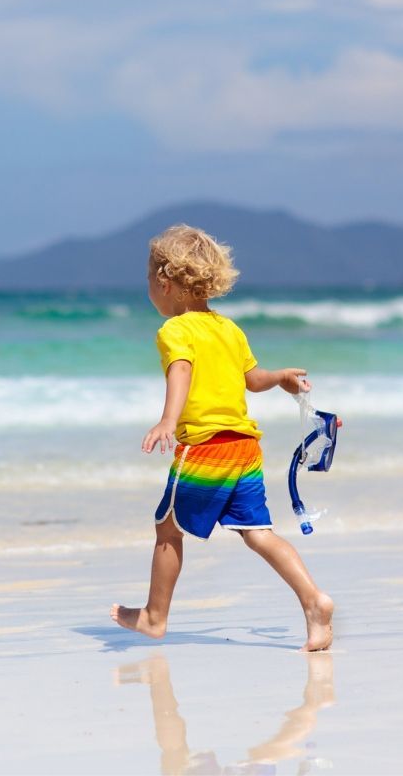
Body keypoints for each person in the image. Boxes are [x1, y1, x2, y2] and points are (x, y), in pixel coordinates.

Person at [111, 224, 334, 651]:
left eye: (148, 283)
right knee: (258, 533)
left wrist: (166, 420)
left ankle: (155, 618)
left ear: (165, 282)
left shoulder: (175, 331)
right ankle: (314, 601)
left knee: (168, 528)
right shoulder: (229, 330)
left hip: (207, 448)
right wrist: (281, 378)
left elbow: (181, 370)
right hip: (244, 448)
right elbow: (253, 379)